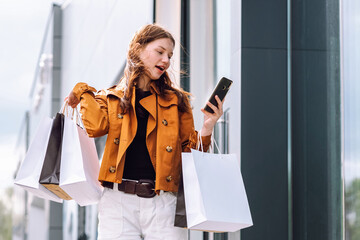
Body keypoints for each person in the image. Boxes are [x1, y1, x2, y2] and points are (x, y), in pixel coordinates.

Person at [67, 24, 224, 240]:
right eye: (160, 52)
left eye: (169, 55)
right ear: (138, 49)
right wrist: (82, 91)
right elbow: (96, 127)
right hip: (117, 203)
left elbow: (191, 153)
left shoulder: (177, 101)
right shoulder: (110, 97)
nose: (167, 60)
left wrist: (207, 126)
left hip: (163, 203)